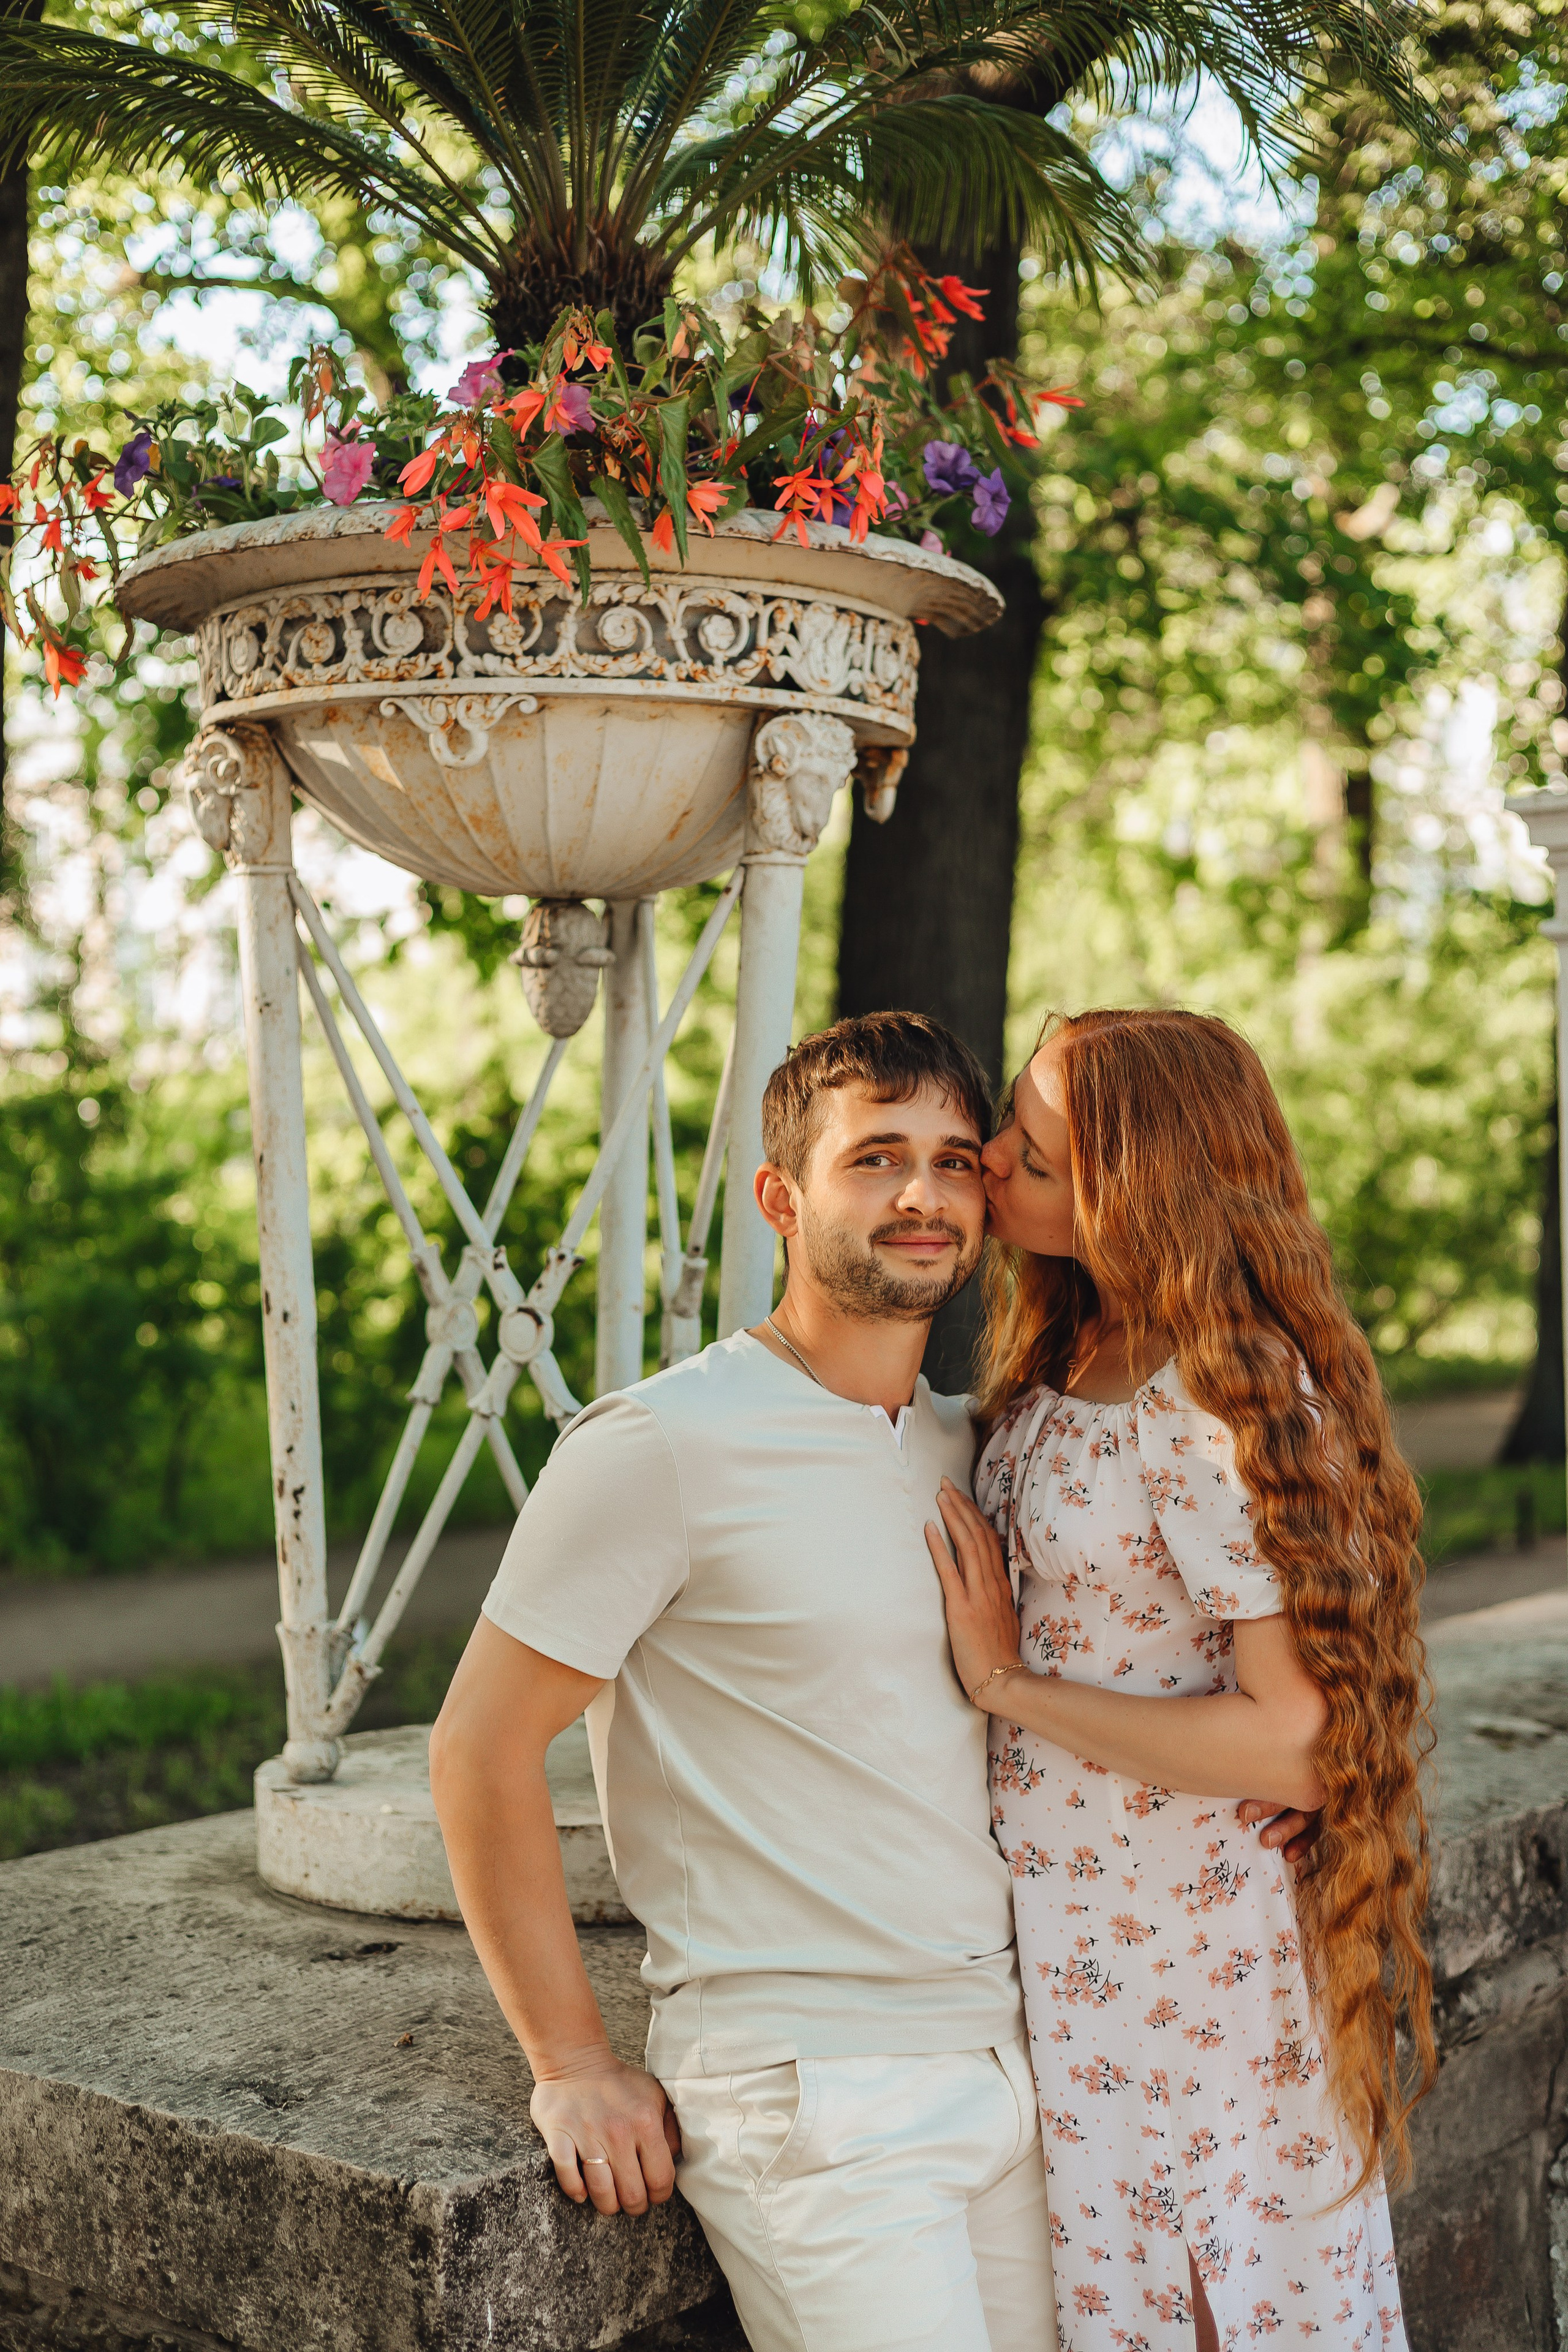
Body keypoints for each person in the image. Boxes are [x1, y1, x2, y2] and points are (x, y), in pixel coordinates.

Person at [430, 1010, 1315, 2352]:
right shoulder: (659, 1446)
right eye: (875, 1159)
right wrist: (569, 2064)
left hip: (1023, 2070)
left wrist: (1288, 1785)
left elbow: (1199, 1655)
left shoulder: (982, 1445)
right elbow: (479, 1750)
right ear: (781, 1197)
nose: (921, 1195)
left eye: (957, 1160)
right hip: (813, 2091)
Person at [925, 1008, 1434, 2352]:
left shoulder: (1200, 1407)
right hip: (1089, 1941)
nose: (986, 1160)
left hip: (1185, 1955)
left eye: (1027, 1156)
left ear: (1126, 1190)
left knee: (1217, 2299)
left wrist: (1007, 1686)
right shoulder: (1076, 1347)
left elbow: (1293, 1743)